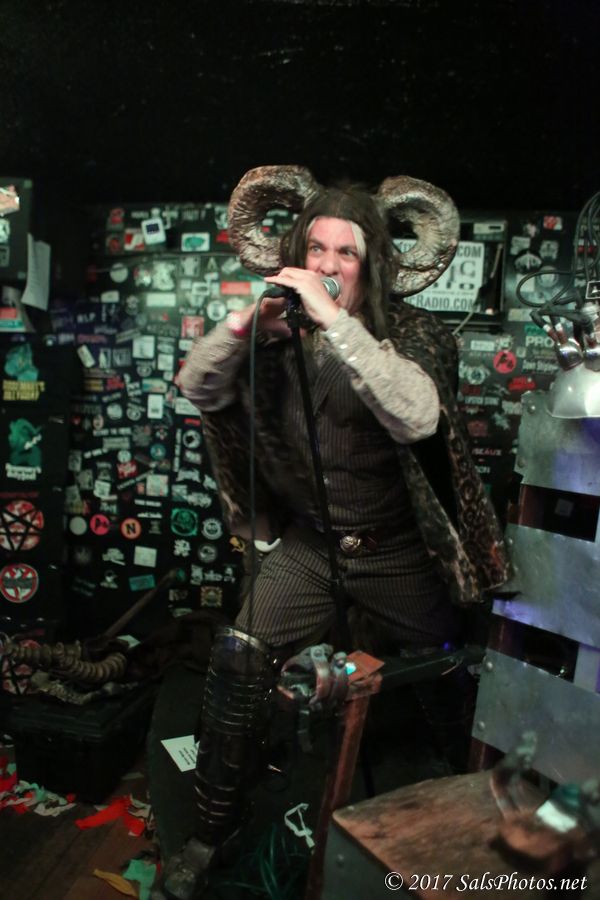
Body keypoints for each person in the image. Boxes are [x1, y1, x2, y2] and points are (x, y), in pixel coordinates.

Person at [155, 166, 509, 899]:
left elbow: (419, 416)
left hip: (397, 549)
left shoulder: (412, 332)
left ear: (369, 263)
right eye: (315, 248)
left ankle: (471, 816)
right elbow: (196, 387)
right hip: (314, 546)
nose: (326, 264)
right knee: (239, 650)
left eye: (345, 252)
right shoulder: (274, 337)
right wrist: (243, 327)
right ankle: (208, 836)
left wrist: (338, 324)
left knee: (452, 670)